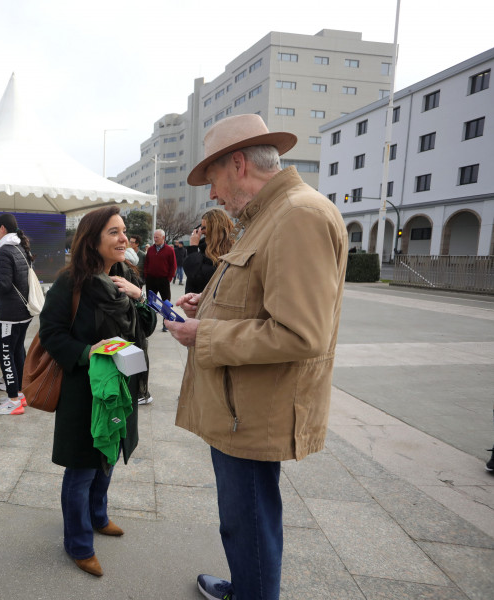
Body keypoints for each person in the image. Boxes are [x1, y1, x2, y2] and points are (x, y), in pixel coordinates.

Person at [165, 114, 347, 600]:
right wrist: (207, 304)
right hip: (241, 404)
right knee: (243, 521)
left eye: (214, 179)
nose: (213, 194)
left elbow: (302, 333)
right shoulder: (273, 213)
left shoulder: (297, 215)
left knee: (248, 522)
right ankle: (248, 586)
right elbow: (262, 297)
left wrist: (206, 334)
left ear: (239, 164)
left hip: (251, 411)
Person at [38, 205, 156, 578]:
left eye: (123, 232)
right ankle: (78, 544)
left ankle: (98, 516)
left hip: (120, 387)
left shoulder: (124, 276)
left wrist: (139, 296)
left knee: (108, 455)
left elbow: (147, 325)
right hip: (84, 390)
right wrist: (89, 352)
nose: (124, 239)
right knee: (82, 467)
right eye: (114, 233)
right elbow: (51, 333)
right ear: (93, 240)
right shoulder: (71, 282)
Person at [0, 213, 33, 415]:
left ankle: (13, 401)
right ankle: (20, 394)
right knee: (18, 351)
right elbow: (14, 279)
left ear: (2, 229)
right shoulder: (19, 248)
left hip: (10, 314)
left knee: (6, 354)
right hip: (23, 312)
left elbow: (2, 286)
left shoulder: (4, 251)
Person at [183, 209, 234, 295]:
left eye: (204, 228)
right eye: (200, 227)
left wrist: (193, 248)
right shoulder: (205, 250)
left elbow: (195, 277)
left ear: (215, 229)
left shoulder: (222, 255)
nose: (201, 231)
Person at [142, 228, 176, 332]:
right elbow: (146, 263)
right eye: (154, 237)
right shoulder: (151, 249)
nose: (155, 239)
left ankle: (166, 323)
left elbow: (173, 265)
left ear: (163, 238)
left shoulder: (169, 250)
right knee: (150, 302)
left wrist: (169, 278)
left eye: (157, 237)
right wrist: (146, 275)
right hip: (151, 279)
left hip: (163, 280)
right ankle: (150, 322)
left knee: (166, 302)